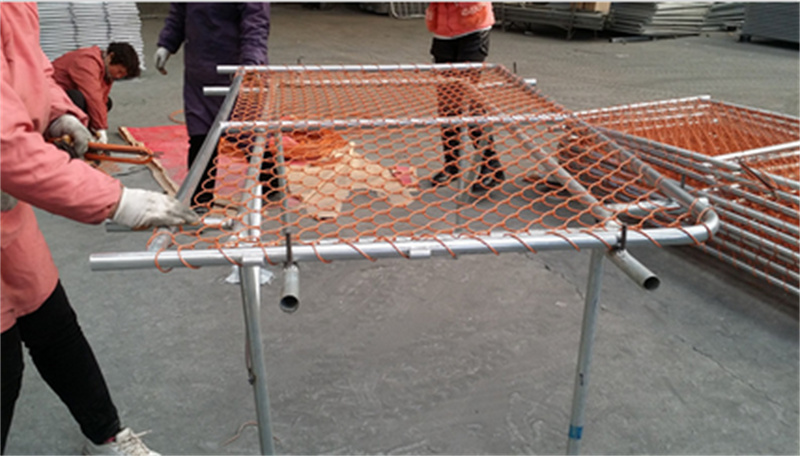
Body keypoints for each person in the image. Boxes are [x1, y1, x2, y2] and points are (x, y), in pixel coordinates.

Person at [1, 3, 198, 455]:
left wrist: (56, 113)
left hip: (9, 219)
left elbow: (30, 73)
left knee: (57, 330)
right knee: (3, 369)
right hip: (7, 179)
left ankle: (107, 436)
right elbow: (7, 146)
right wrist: (118, 200)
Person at [154, 3, 273, 210]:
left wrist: (252, 62)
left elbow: (256, 23)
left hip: (235, 69)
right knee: (200, 134)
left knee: (247, 132)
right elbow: (179, 13)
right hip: (199, 69)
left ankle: (272, 185)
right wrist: (167, 44)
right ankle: (201, 197)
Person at [426, 2, 505, 193]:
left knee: (472, 100)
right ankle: (451, 164)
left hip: (473, 27)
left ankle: (491, 165)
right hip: (443, 30)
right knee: (447, 104)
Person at [52, 42, 141, 144]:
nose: (118, 76)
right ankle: (70, 134)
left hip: (62, 96)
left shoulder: (106, 71)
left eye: (122, 75)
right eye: (119, 71)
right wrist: (100, 128)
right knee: (78, 98)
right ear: (110, 57)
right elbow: (93, 96)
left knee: (106, 103)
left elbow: (101, 99)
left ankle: (86, 132)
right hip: (52, 101)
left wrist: (96, 129)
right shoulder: (87, 62)